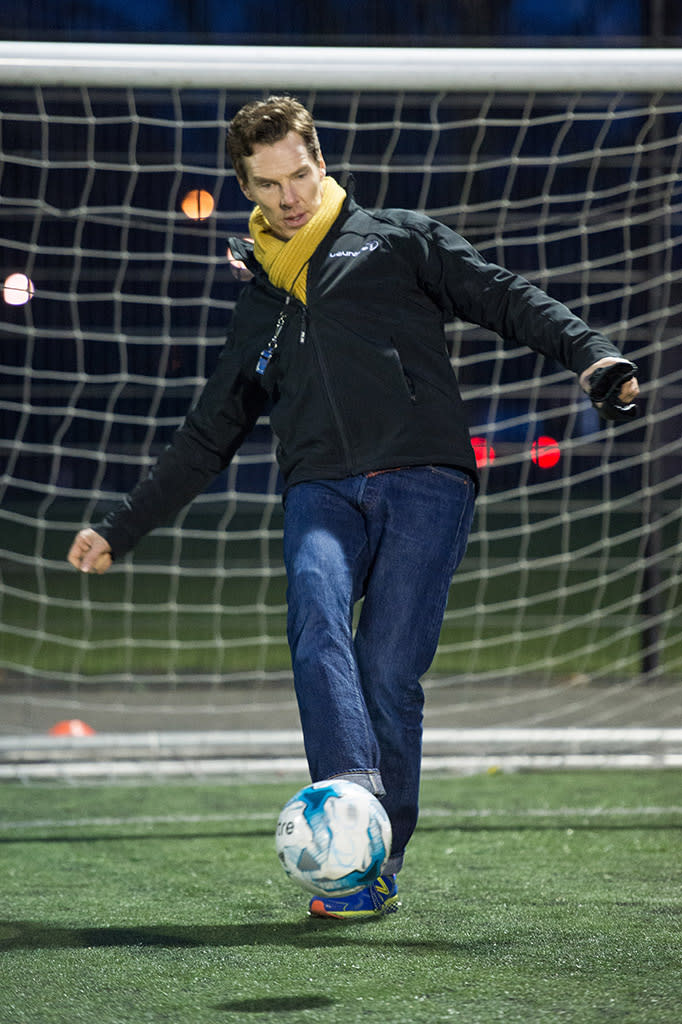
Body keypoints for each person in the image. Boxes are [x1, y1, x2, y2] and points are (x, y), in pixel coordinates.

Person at [68, 95, 640, 920]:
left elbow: (502, 294)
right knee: (315, 613)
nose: (290, 195)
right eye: (270, 185)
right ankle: (354, 821)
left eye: (300, 174)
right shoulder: (262, 300)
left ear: (321, 161)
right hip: (322, 486)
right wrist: (121, 526)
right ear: (247, 188)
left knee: (387, 674)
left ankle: (381, 855)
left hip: (426, 480)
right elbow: (208, 435)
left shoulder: (396, 239)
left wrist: (590, 356)